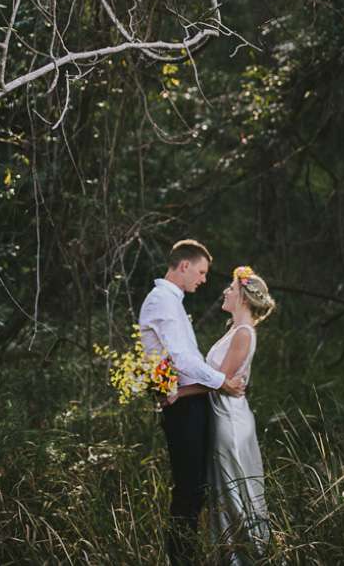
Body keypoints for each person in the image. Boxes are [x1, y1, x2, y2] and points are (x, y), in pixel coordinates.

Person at [138, 240, 246, 566]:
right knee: (188, 491)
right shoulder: (162, 300)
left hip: (189, 402)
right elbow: (182, 359)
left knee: (196, 488)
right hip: (182, 409)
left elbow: (186, 358)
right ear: (184, 265)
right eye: (201, 272)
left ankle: (191, 555)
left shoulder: (172, 301)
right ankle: (181, 559)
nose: (203, 279)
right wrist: (222, 381)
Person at [177, 265, 276, 565]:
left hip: (230, 423)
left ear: (244, 298)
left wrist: (177, 393)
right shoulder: (234, 330)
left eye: (231, 288)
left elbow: (217, 381)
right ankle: (230, 556)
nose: (225, 291)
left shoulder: (244, 334)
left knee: (235, 493)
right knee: (224, 491)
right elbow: (219, 380)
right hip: (222, 416)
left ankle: (253, 557)